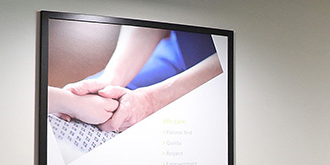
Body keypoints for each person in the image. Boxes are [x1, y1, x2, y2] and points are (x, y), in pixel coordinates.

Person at [62, 26, 223, 132]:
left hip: (230, 77)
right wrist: (110, 81)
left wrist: (149, 103)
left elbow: (234, 59)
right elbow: (153, 6)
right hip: (179, 52)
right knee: (91, 96)